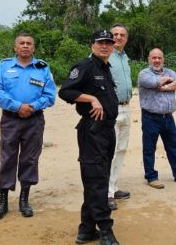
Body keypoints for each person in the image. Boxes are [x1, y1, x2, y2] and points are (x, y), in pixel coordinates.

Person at [58, 30, 120, 245]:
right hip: (92, 131)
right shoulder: (84, 66)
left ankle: (86, 228)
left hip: (107, 131)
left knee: (98, 178)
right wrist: (91, 98)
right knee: (97, 180)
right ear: (92, 44)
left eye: (109, 43)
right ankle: (105, 230)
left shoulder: (105, 67)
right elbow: (65, 92)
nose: (105, 46)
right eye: (101, 42)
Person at [0, 33, 56, 221]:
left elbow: (50, 96)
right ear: (15, 47)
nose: (25, 46)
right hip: (10, 119)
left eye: (29, 44)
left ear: (33, 48)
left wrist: (32, 106)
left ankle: (24, 200)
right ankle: (2, 201)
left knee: (30, 159)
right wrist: (18, 106)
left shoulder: (42, 68)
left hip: (34, 120)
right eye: (22, 43)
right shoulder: (4, 66)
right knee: (7, 157)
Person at [138, 48, 176, 189]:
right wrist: (166, 82)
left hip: (168, 117)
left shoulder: (170, 71)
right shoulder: (143, 74)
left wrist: (164, 87)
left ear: (163, 59)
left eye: (159, 58)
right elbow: (153, 82)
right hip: (150, 118)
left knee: (173, 147)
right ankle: (151, 177)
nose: (157, 60)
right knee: (149, 149)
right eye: (154, 58)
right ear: (149, 59)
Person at [107, 23, 132, 211]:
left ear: (126, 38)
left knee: (122, 149)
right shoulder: (104, 55)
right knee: (110, 150)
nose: (118, 37)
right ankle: (106, 193)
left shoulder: (125, 57)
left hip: (126, 107)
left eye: (122, 34)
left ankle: (113, 187)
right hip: (111, 109)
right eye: (115, 34)